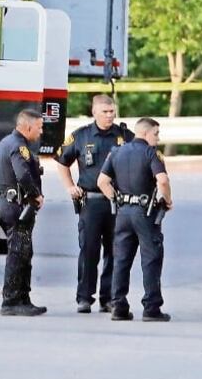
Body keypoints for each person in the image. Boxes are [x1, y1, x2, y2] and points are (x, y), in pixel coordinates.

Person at [56, 94, 133, 313]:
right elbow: (62, 161)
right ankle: (84, 297)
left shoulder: (124, 135)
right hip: (90, 201)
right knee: (89, 250)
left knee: (115, 250)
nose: (110, 116)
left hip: (117, 202)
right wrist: (70, 186)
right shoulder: (81, 136)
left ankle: (108, 298)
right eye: (105, 112)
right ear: (94, 112)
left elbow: (140, 155)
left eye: (112, 111)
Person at [97, 117, 173, 322]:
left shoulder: (117, 151)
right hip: (145, 212)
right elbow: (163, 180)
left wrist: (116, 198)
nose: (158, 138)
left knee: (121, 260)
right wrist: (167, 200)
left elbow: (102, 181)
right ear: (146, 133)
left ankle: (118, 307)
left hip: (123, 212)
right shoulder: (151, 153)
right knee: (151, 259)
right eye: (156, 133)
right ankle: (151, 308)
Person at [0, 109, 47, 316]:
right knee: (18, 254)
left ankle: (23, 298)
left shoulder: (4, 143)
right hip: (17, 207)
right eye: (39, 127)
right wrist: (36, 195)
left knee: (23, 252)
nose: (41, 132)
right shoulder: (19, 146)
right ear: (27, 127)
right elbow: (23, 174)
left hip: (8, 204)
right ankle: (12, 301)